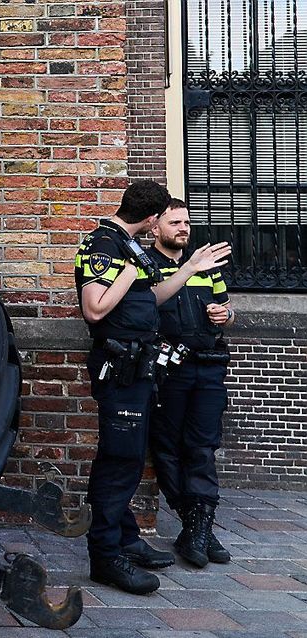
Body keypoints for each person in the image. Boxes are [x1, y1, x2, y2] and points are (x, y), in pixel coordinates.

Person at [74, 180, 229, 595]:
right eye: (165, 217)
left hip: (140, 371)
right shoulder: (103, 245)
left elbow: (151, 298)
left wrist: (189, 271)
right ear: (151, 219)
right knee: (120, 461)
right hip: (120, 369)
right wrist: (126, 272)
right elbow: (94, 309)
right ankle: (107, 557)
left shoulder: (129, 244)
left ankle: (124, 539)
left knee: (124, 456)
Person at [148, 199, 235, 568]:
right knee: (167, 447)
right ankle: (196, 526)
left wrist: (223, 314)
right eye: (174, 222)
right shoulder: (146, 265)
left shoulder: (208, 267)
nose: (183, 228)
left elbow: (228, 311)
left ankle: (198, 529)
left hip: (209, 367)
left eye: (186, 222)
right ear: (155, 228)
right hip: (170, 371)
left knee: (203, 446)